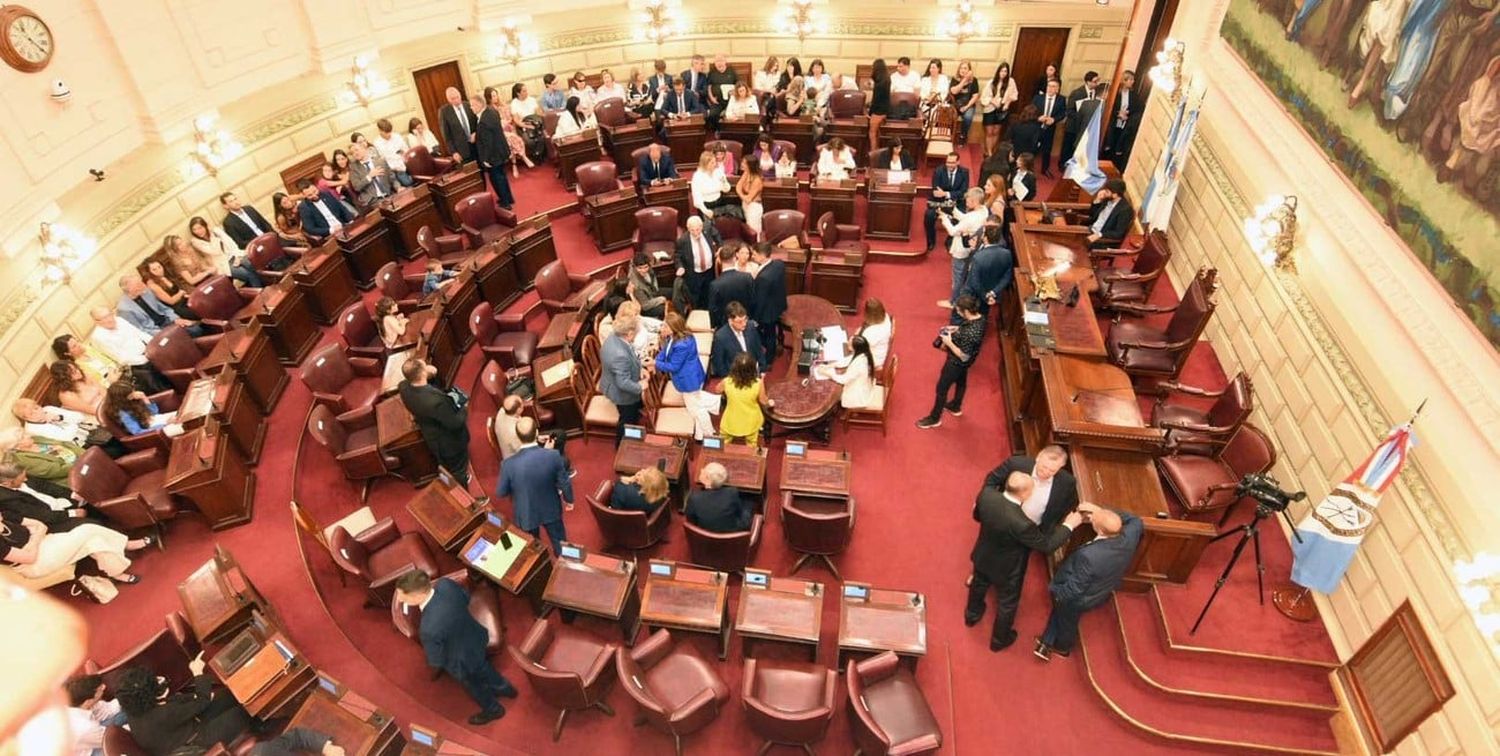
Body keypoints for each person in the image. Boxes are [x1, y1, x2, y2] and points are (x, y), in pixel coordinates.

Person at [966, 471, 1083, 651]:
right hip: (1007, 568)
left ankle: (971, 615)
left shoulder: (987, 495)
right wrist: (1069, 525)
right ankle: (999, 640)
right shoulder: (1022, 523)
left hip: (983, 554)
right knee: (1007, 603)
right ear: (1024, 494)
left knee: (978, 584)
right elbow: (1046, 545)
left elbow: (977, 517)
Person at [394, 571, 519, 725]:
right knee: (484, 666)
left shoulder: (428, 629)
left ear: (417, 595)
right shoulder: (446, 584)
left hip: (461, 662)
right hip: (476, 636)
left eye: (402, 595)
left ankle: (493, 710)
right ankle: (505, 688)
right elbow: (466, 598)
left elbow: (436, 661)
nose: (399, 599)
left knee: (474, 685)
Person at [1036, 505, 1143, 661]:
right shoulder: (1129, 536)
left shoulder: (1089, 556)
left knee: (1067, 619)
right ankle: (1047, 640)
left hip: (1081, 598)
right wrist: (1099, 511)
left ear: (1099, 530)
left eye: (1094, 520)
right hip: (1103, 587)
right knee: (1061, 613)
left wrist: (1058, 593)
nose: (1092, 518)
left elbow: (1075, 588)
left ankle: (1062, 648)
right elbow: (1136, 520)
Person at [115, 665, 253, 754]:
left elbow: (182, 703)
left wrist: (198, 695)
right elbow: (202, 701)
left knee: (230, 695)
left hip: (180, 729)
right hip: (195, 743)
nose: (158, 680)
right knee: (243, 711)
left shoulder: (134, 708)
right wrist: (198, 673)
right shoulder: (163, 714)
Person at [399, 358, 480, 492]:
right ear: (423, 372)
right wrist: (465, 407)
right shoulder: (436, 401)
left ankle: (453, 485)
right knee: (458, 470)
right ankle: (468, 502)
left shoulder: (403, 387)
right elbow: (455, 423)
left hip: (431, 436)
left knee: (447, 467)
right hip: (449, 443)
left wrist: (432, 374)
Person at [496, 417, 574, 550]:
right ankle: (564, 565)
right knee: (561, 544)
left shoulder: (507, 465)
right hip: (550, 508)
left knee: (533, 547)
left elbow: (501, 492)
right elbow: (564, 482)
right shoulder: (553, 455)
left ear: (518, 437)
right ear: (537, 433)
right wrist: (569, 500)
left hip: (526, 512)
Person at [916, 294, 985, 429]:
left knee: (941, 389)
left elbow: (963, 355)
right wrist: (957, 329)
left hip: (956, 362)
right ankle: (955, 406)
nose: (957, 312)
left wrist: (949, 342)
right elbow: (968, 329)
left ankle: (935, 418)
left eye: (959, 310)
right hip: (967, 363)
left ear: (966, 311)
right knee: (961, 382)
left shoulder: (971, 334)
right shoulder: (980, 318)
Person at [983, 445, 1078, 531]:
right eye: (1044, 467)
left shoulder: (1067, 482)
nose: (1046, 472)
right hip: (1003, 520)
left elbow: (1068, 506)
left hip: (1032, 530)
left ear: (1060, 468)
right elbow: (991, 481)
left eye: (1052, 471)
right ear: (1038, 457)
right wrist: (987, 504)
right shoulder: (1016, 464)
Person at [0, 458, 106, 533]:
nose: (26, 479)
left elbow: (48, 487)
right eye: (22, 479)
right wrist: (71, 513)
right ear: (6, 483)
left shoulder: (20, 476)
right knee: (93, 524)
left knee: (97, 501)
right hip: (51, 520)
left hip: (59, 503)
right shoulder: (7, 499)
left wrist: (72, 494)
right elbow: (41, 515)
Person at [654, 312, 715, 440]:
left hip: (688, 380)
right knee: (696, 403)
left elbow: (673, 366)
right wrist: (658, 359)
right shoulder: (676, 337)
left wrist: (655, 363)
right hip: (691, 375)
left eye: (665, 326)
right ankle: (700, 434)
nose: (662, 328)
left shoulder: (681, 344)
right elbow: (665, 351)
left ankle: (709, 434)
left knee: (696, 409)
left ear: (673, 327)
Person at [88, 306, 171, 394]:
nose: (110, 319)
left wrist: (155, 345)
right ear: (96, 322)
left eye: (109, 315)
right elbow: (122, 358)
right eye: (104, 318)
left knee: (169, 352)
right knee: (155, 376)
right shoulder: (98, 337)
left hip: (147, 351)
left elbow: (140, 334)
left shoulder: (119, 320)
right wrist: (147, 358)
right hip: (135, 364)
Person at [12, 397, 124, 458]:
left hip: (89, 432)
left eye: (36, 408)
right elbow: (66, 437)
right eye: (31, 414)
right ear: (25, 418)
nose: (37, 412)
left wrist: (59, 417)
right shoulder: (32, 430)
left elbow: (79, 417)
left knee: (120, 436)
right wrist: (69, 422)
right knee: (116, 451)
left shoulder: (48, 409)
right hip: (79, 446)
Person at [939, 187, 989, 308]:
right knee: (961, 274)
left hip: (962, 249)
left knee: (958, 276)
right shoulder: (983, 210)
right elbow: (965, 219)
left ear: (975, 201)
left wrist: (944, 218)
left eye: (968, 200)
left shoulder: (972, 217)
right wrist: (954, 210)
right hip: (971, 248)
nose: (966, 201)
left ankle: (953, 301)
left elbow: (952, 231)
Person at [599, 314, 646, 443]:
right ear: (629, 334)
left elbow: (630, 356)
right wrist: (640, 386)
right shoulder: (620, 355)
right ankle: (621, 444)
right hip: (622, 395)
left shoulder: (614, 336)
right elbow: (623, 383)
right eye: (636, 333)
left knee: (634, 412)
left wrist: (640, 368)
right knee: (627, 419)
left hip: (611, 380)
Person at [117, 271, 203, 337]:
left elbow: (163, 308)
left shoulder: (146, 291)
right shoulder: (124, 309)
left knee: (198, 327)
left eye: (141, 282)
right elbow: (139, 330)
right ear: (128, 289)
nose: (143, 285)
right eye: (138, 285)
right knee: (194, 331)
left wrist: (176, 319)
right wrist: (165, 333)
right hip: (155, 331)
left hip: (167, 321)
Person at [62, 673, 128, 756]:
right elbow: (114, 738)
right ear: (88, 701)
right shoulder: (84, 727)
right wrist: (133, 727)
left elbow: (108, 709)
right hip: (91, 751)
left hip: (94, 735)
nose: (104, 687)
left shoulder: (84, 704)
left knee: (126, 710)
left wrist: (126, 697)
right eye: (99, 690)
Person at [189, 217, 264, 288]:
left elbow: (230, 242)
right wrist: (212, 235)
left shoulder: (216, 230)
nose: (198, 231)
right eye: (194, 229)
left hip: (233, 255)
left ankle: (266, 287)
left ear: (205, 226)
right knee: (247, 274)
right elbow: (216, 251)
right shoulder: (196, 242)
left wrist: (237, 256)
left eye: (200, 228)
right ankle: (260, 294)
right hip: (222, 264)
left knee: (251, 265)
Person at [475, 90, 516, 209]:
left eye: (472, 105)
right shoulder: (492, 111)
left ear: (479, 105)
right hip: (500, 150)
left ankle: (505, 203)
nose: (471, 108)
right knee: (502, 176)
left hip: (492, 154)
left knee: (496, 178)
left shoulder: (483, 120)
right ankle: (509, 198)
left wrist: (485, 159)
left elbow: (488, 141)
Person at [719, 352, 771, 447]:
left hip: (730, 422)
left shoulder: (726, 381)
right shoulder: (758, 383)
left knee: (723, 444)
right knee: (752, 444)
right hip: (751, 422)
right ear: (753, 369)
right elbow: (764, 401)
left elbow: (717, 390)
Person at [963, 224, 1015, 316]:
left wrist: (985, 296)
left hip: (973, 294)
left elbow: (974, 281)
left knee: (967, 314)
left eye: (983, 234)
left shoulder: (978, 257)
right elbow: (1007, 276)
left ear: (985, 238)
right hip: (991, 292)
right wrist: (993, 292)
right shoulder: (1007, 254)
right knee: (982, 315)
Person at [102, 381, 184, 438]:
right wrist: (165, 424)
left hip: (156, 419)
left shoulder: (132, 399)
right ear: (122, 398)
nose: (134, 394)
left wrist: (144, 398)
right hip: (153, 430)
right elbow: (138, 432)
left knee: (186, 413)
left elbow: (154, 412)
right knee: (184, 425)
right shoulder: (123, 414)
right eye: (130, 394)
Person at [924, 152, 970, 253]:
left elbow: (963, 192)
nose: (949, 165)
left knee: (962, 218)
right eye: (947, 162)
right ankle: (931, 241)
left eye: (952, 162)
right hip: (939, 202)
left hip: (957, 202)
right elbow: (936, 192)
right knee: (929, 215)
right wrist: (946, 195)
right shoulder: (938, 171)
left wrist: (946, 194)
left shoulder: (964, 172)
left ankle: (949, 241)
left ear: (958, 162)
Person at [686, 462, 752, 532]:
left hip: (705, 536)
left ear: (708, 480)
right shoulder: (731, 493)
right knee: (749, 502)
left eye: (704, 471)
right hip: (731, 535)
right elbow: (739, 512)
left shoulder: (694, 498)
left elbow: (690, 520)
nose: (701, 470)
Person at [675, 215, 722, 310]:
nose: (696, 233)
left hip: (710, 271)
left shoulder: (707, 228)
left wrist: (720, 246)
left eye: (698, 229)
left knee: (710, 294)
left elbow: (716, 234)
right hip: (694, 274)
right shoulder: (682, 240)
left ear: (701, 227)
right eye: (692, 230)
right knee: (696, 297)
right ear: (688, 228)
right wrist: (680, 267)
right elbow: (677, 256)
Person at [709, 301, 767, 378]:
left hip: (754, 373)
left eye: (745, 319)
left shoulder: (750, 327)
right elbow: (719, 364)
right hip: (735, 378)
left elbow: (758, 349)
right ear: (730, 321)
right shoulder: (720, 337)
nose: (744, 324)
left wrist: (762, 369)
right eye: (740, 321)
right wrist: (730, 380)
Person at [749, 243, 787, 358]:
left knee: (769, 335)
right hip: (779, 304)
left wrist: (755, 319)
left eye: (754, 254)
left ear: (762, 255)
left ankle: (769, 358)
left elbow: (760, 301)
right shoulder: (779, 263)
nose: (752, 257)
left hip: (768, 313)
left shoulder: (763, 278)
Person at [820, 334, 879, 409]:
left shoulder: (859, 365)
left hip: (857, 395)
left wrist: (829, 374)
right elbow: (847, 360)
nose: (847, 343)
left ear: (855, 348)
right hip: (864, 386)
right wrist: (831, 365)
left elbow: (843, 380)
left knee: (832, 396)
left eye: (850, 344)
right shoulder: (863, 353)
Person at [707, 244, 755, 329]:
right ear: (734, 258)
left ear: (719, 260)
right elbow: (753, 300)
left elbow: (713, 309)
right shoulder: (747, 277)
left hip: (725, 326)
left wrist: (714, 326)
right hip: (745, 322)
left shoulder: (715, 284)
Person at [1061, 71, 1101, 166]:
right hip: (1073, 126)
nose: (1097, 84)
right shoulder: (1077, 93)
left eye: (1097, 81)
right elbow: (1069, 111)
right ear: (1088, 82)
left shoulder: (1097, 93)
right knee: (1068, 147)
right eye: (1095, 81)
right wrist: (1081, 116)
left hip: (1086, 127)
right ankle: (1063, 164)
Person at [52, 333, 120, 389]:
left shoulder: (89, 348)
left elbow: (110, 360)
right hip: (109, 385)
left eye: (77, 341)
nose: (79, 345)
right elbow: (95, 383)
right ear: (67, 353)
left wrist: (112, 370)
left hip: (117, 371)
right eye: (74, 346)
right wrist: (111, 381)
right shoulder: (77, 367)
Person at [981, 63, 1018, 158]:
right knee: (989, 132)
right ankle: (989, 153)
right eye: (1002, 71)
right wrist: (992, 101)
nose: (1003, 73)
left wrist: (1007, 103)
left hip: (1002, 110)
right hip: (990, 109)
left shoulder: (1011, 82)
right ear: (998, 71)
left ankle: (991, 151)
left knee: (996, 131)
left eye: (1005, 71)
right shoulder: (991, 82)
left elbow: (1014, 95)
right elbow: (984, 97)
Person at [1086, 178, 1135, 249]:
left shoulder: (1125, 210)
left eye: (1107, 191)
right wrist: (1097, 200)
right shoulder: (1106, 199)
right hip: (1091, 229)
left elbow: (1118, 233)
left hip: (1102, 240)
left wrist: (1100, 234)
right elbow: (1092, 215)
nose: (1104, 193)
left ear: (1115, 195)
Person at [347, 141, 396, 210]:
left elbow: (392, 178)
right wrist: (369, 176)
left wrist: (398, 187)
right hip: (372, 201)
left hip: (389, 195)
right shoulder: (353, 168)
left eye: (356, 150)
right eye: (352, 153)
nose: (355, 153)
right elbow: (357, 187)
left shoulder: (380, 161)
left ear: (364, 149)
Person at [1103, 70, 1138, 167]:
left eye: (1133, 80)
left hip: (1125, 123)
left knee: (1120, 144)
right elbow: (1110, 107)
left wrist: (1127, 113)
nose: (1132, 82)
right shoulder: (1116, 93)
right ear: (1124, 80)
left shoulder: (1133, 95)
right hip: (1114, 121)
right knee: (1110, 143)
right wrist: (1118, 114)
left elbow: (1136, 108)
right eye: (1130, 79)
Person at [1033, 79, 1066, 176]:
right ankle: (1028, 168)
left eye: (1053, 86)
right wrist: (1038, 118)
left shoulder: (1061, 99)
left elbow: (1063, 113)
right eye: (1049, 86)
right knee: (1033, 148)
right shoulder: (1038, 98)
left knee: (1047, 150)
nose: (1050, 88)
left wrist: (1054, 119)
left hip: (1050, 129)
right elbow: (1031, 110)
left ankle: (1045, 169)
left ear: (1057, 89)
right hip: (1036, 127)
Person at [690, 152, 736, 220]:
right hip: (706, 206)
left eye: (715, 162)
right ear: (705, 164)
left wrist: (724, 182)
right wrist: (706, 211)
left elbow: (727, 189)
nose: (715, 164)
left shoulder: (718, 172)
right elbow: (697, 198)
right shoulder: (697, 176)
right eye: (712, 163)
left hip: (719, 202)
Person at [371, 118, 415, 187]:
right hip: (394, 169)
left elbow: (406, 150)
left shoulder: (397, 136)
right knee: (408, 182)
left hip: (405, 163)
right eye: (386, 132)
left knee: (420, 174)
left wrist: (403, 156)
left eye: (390, 131)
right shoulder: (377, 143)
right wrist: (395, 166)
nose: (389, 134)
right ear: (380, 131)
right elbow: (383, 161)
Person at [439, 86, 478, 163]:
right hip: (462, 151)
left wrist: (476, 133)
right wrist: (454, 152)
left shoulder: (468, 105)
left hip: (477, 144)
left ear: (460, 95)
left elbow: (478, 123)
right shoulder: (444, 112)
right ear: (449, 100)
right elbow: (447, 136)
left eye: (457, 97)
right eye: (453, 98)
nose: (456, 100)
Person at [627, 254, 667, 318]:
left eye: (646, 267)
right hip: (644, 307)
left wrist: (656, 291)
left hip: (652, 292)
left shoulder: (649, 269)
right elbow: (644, 306)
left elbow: (653, 278)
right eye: (640, 268)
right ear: (635, 267)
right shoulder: (636, 285)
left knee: (672, 292)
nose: (643, 270)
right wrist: (660, 299)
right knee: (664, 308)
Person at [705, 54, 738, 128]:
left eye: (721, 60)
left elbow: (738, 84)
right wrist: (712, 98)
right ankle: (718, 130)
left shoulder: (731, 71)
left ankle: (728, 131)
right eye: (717, 61)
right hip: (717, 102)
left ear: (725, 61)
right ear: (715, 63)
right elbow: (709, 87)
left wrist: (734, 93)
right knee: (712, 115)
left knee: (733, 115)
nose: (719, 63)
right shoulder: (712, 73)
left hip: (731, 101)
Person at [735, 155, 765, 234]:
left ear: (750, 166)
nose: (742, 164)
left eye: (744, 163)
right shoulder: (746, 173)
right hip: (745, 205)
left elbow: (748, 199)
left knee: (754, 231)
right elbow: (738, 187)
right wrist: (743, 196)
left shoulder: (757, 180)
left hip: (754, 208)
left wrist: (741, 195)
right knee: (748, 230)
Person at [868, 58, 891, 150]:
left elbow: (875, 100)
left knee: (872, 133)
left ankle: (873, 154)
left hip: (878, 112)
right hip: (885, 110)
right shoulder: (886, 80)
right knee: (878, 134)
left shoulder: (879, 85)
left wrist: (870, 113)